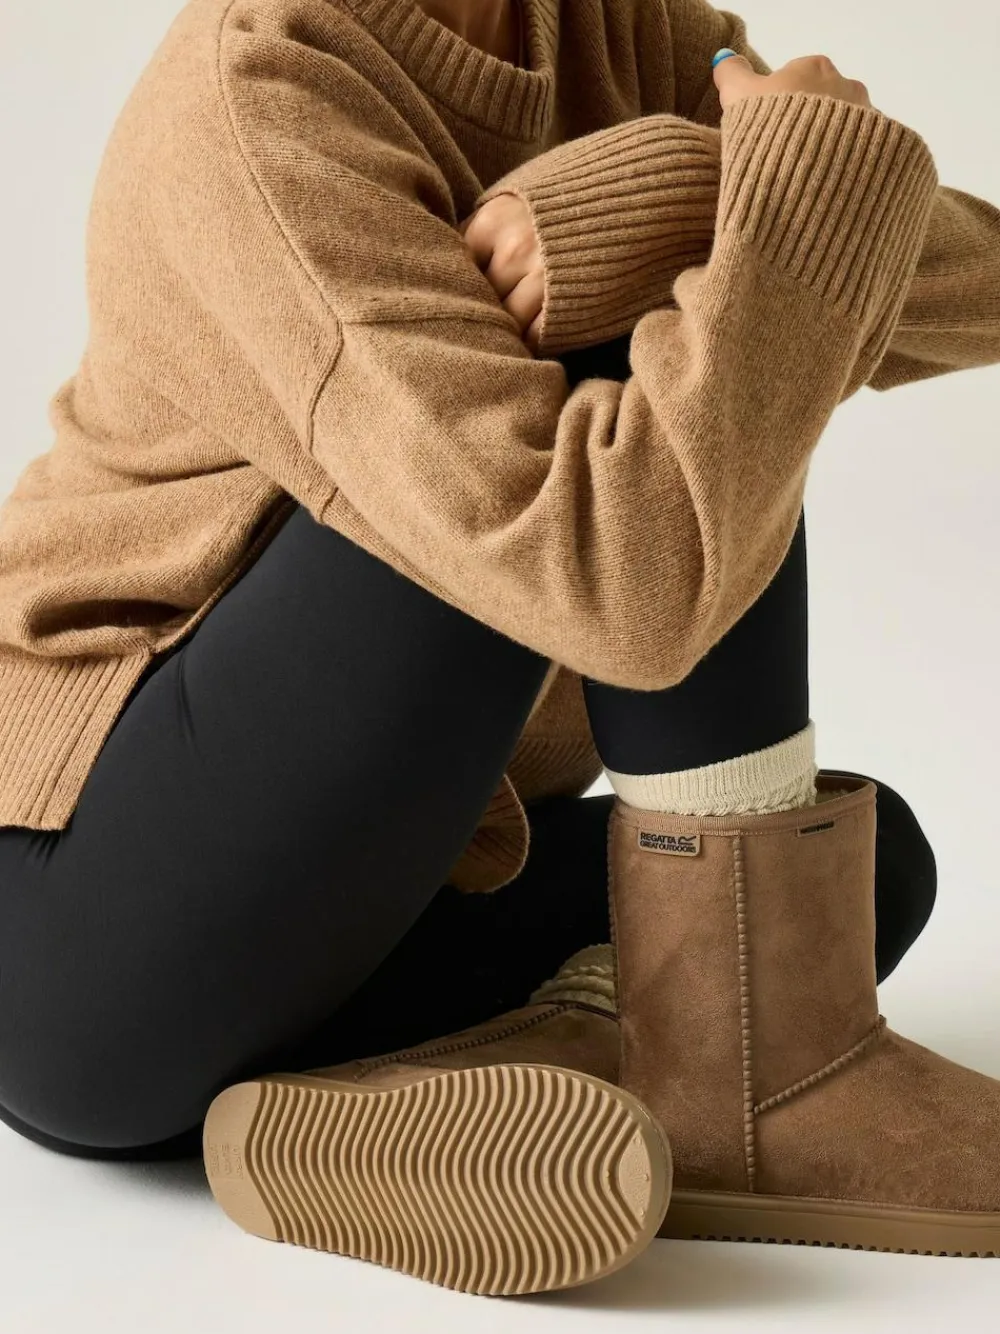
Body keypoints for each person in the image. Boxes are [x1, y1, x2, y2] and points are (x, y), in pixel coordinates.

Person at [1, 0, 998, 1297]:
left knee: (830, 896)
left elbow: (926, 263)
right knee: (639, 372)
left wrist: (670, 191)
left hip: (371, 915)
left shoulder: (622, 34)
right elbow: (618, 584)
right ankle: (700, 1079)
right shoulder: (263, 94)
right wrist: (753, 200)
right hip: (84, 926)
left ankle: (395, 1107)